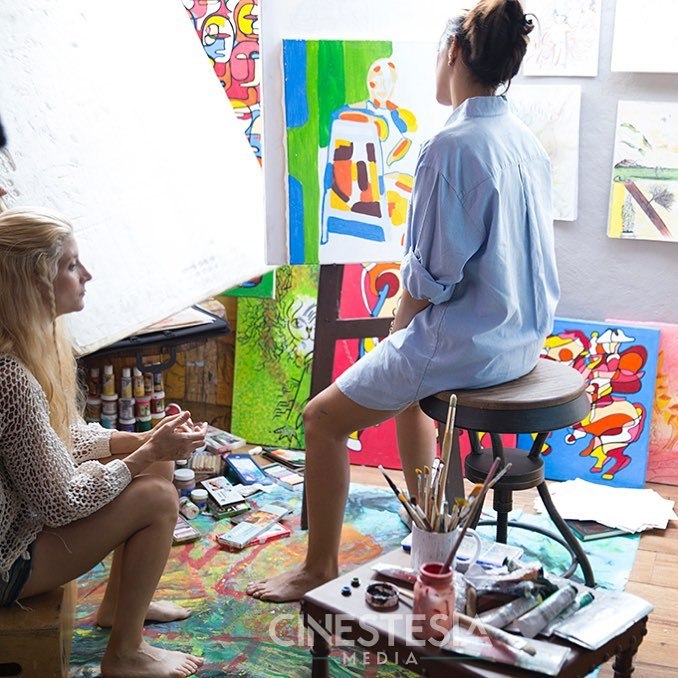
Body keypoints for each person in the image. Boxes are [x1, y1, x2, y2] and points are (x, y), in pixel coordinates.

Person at [247, 0, 559, 603]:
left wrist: (396, 333)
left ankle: (317, 567)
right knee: (408, 391)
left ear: (454, 52)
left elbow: (429, 278)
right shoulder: (523, 139)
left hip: (471, 344)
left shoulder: (452, 146)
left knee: (320, 419)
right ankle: (430, 530)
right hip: (521, 337)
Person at [0, 206, 208, 677]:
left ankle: (119, 607)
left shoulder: (28, 344)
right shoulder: (9, 375)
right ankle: (125, 655)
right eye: (72, 265)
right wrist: (147, 452)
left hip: (24, 522)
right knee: (157, 496)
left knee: (155, 466)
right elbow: (61, 504)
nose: (87, 275)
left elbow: (59, 439)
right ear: (34, 282)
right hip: (6, 562)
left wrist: (142, 441)